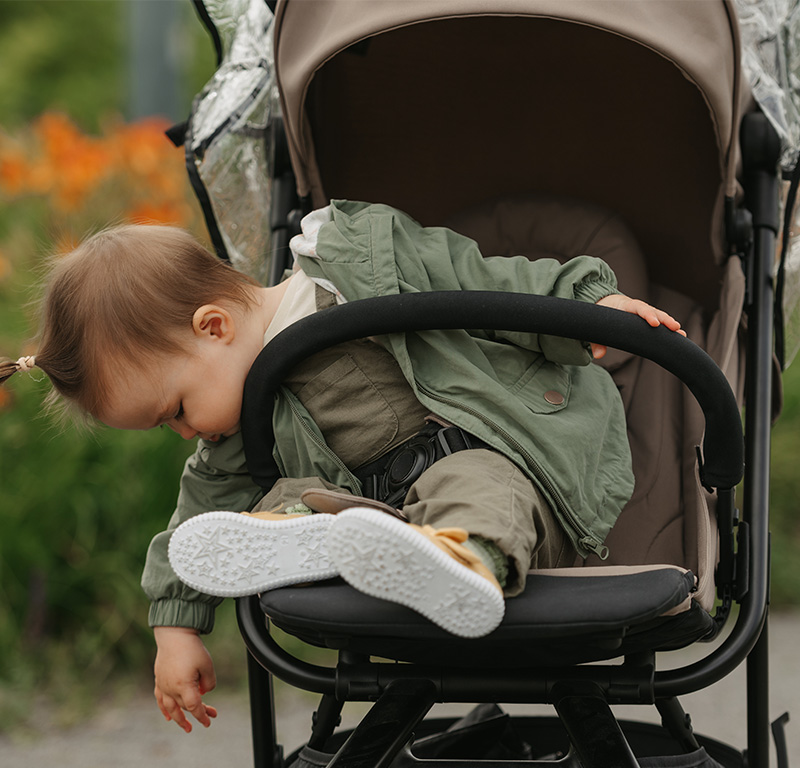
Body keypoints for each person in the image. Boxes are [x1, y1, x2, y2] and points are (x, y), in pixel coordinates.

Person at [1, 199, 684, 733]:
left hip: (500, 455)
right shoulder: (241, 411)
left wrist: (585, 304)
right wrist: (175, 628)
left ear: (213, 327)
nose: (185, 433)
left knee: (475, 482)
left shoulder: (363, 263)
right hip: (382, 516)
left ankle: (467, 559)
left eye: (175, 410)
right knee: (294, 495)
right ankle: (308, 537)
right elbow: (200, 505)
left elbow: (485, 279)